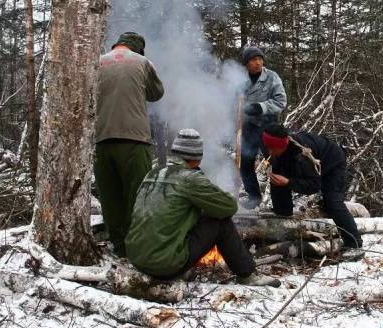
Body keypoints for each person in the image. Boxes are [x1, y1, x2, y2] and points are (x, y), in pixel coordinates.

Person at [125, 129, 281, 287]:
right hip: (164, 265)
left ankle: (174, 263)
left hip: (137, 259)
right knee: (221, 222)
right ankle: (247, 274)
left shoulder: (153, 173)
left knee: (186, 213)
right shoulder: (191, 178)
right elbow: (229, 207)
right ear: (197, 158)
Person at [94, 32, 164, 257]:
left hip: (102, 140)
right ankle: (139, 248)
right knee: (138, 195)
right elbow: (156, 94)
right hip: (135, 141)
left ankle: (119, 246)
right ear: (138, 49)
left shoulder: (97, 62)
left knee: (110, 197)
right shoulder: (143, 62)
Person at [261, 124, 364, 255]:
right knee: (277, 174)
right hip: (309, 163)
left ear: (282, 145)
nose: (269, 152)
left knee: (332, 203)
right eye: (267, 147)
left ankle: (355, 244)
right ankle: (282, 212)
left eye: (272, 148)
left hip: (332, 164)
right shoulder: (277, 148)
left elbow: (314, 185)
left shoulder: (302, 156)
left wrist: (288, 182)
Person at [239, 46, 287, 209]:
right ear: (246, 63)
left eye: (260, 59)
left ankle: (281, 203)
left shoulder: (272, 77)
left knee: (277, 163)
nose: (258, 63)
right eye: (253, 60)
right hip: (248, 127)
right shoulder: (240, 79)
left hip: (268, 128)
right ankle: (253, 198)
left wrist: (260, 107)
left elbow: (280, 102)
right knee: (245, 163)